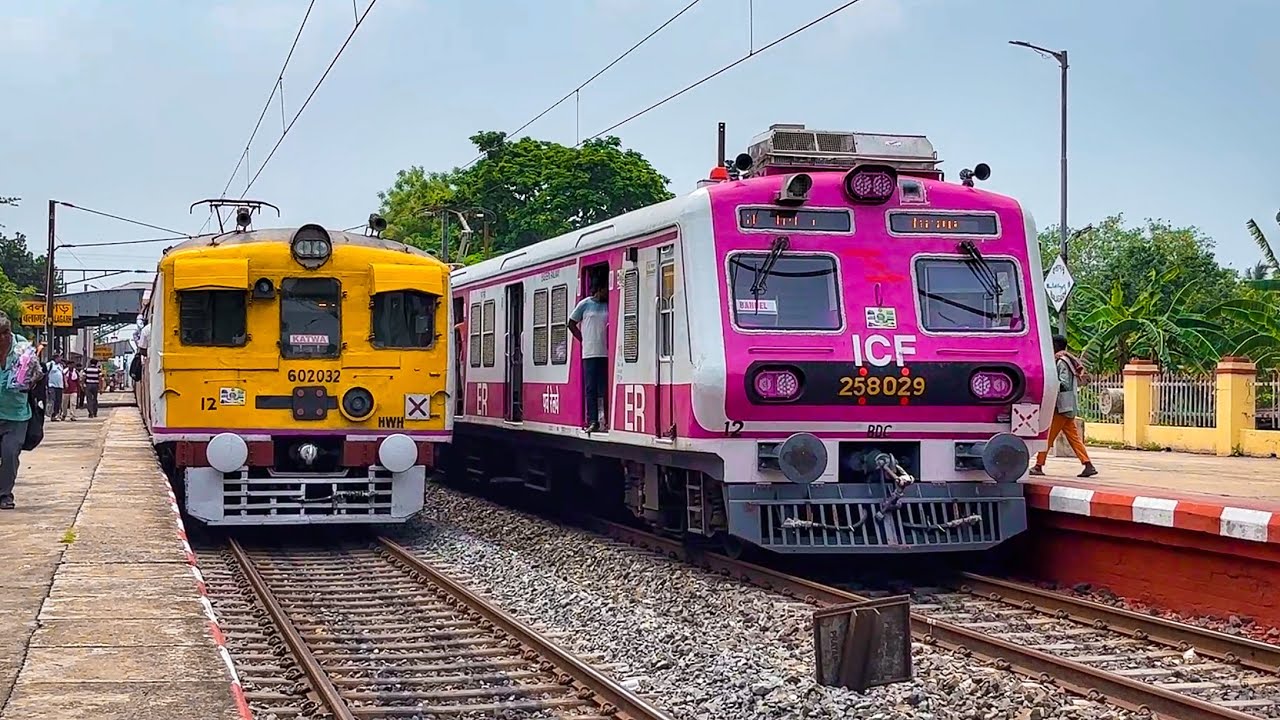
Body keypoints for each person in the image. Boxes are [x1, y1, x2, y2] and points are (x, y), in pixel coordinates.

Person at [1029, 335, 1098, 478]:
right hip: (1068, 406)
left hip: (1061, 407)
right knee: (1074, 438)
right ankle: (1087, 464)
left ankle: (1038, 465)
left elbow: (1064, 382)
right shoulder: (1066, 360)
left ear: (1055, 345)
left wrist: (1050, 384)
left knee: (1047, 437)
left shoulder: (1061, 361)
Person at [0, 312, 37, 510]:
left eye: (5, 332)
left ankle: (4, 494)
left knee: (9, 454)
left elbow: (36, 376)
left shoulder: (22, 349)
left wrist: (29, 378)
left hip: (16, 414)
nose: (2, 338)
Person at [568, 283, 609, 432]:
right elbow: (571, 323)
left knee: (604, 388)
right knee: (591, 388)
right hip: (590, 352)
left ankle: (605, 419)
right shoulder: (584, 304)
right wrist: (583, 339)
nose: (606, 293)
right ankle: (592, 420)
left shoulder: (608, 305)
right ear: (598, 290)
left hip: (606, 352)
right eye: (604, 289)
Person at [45, 354, 64, 422]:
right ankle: (50, 413)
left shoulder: (60, 366)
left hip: (60, 386)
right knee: (53, 400)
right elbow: (46, 373)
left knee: (58, 401)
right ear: (55, 358)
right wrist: (46, 384)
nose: (60, 359)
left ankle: (55, 415)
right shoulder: (49, 364)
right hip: (52, 385)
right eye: (59, 358)